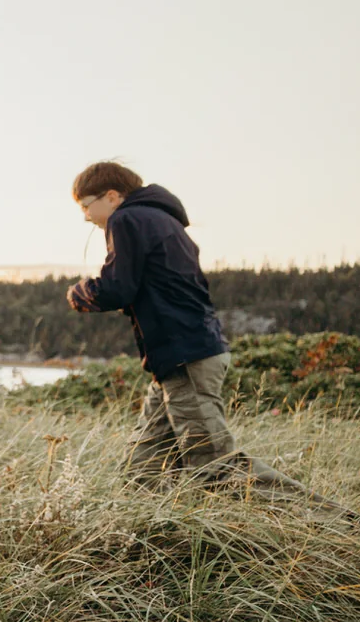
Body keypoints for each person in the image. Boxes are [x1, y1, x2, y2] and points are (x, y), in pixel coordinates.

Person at [67, 161, 341, 508]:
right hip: (181, 357)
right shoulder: (165, 222)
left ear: (112, 195)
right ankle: (143, 544)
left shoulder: (127, 219)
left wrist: (80, 293)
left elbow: (117, 288)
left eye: (86, 205)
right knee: (143, 467)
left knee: (215, 466)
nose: (86, 216)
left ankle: (344, 524)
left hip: (186, 357)